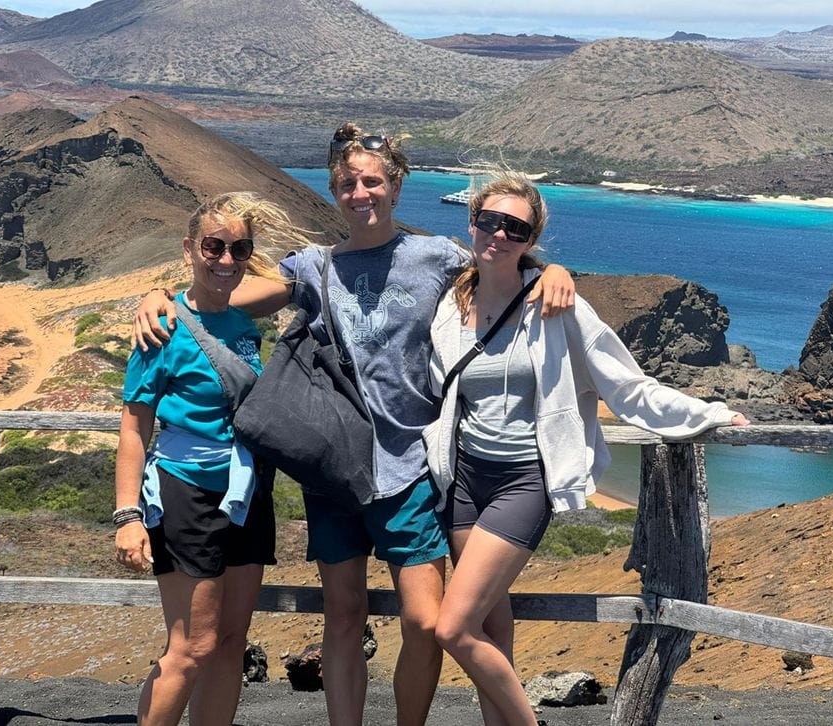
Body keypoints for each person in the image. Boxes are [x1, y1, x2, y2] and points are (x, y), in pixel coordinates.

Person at [131, 125, 576, 726]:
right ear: (335, 190)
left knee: (424, 623)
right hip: (334, 471)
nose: (359, 192)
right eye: (347, 183)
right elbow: (224, 293)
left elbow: (502, 268)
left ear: (395, 187)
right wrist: (161, 295)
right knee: (342, 615)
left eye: (372, 181)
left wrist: (552, 271)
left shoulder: (437, 258)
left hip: (411, 467)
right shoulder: (314, 269)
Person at [424, 172, 750, 725]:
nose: (498, 235)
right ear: (471, 220)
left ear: (532, 239)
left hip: (523, 480)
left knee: (451, 627)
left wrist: (708, 413)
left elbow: (627, 386)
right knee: (488, 628)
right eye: (489, 220)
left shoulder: (557, 304)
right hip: (462, 478)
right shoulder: (451, 301)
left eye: (515, 228)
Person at [114, 192, 311, 725]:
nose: (225, 259)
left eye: (238, 248)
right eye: (212, 246)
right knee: (192, 648)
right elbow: (135, 427)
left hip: (246, 493)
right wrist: (128, 516)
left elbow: (292, 282)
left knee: (230, 643)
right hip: (187, 493)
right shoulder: (163, 328)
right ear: (189, 249)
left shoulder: (244, 322)